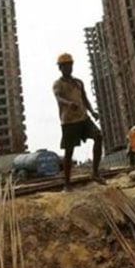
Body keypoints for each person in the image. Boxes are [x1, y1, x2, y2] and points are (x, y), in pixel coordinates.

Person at [53, 52, 105, 191]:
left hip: (83, 118)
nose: (68, 68)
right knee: (69, 151)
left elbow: (84, 99)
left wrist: (92, 111)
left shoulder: (78, 82)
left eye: (70, 65)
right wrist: (69, 104)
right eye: (65, 66)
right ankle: (67, 183)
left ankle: (95, 173)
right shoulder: (58, 84)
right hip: (69, 121)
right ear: (60, 68)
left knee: (98, 136)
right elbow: (58, 98)